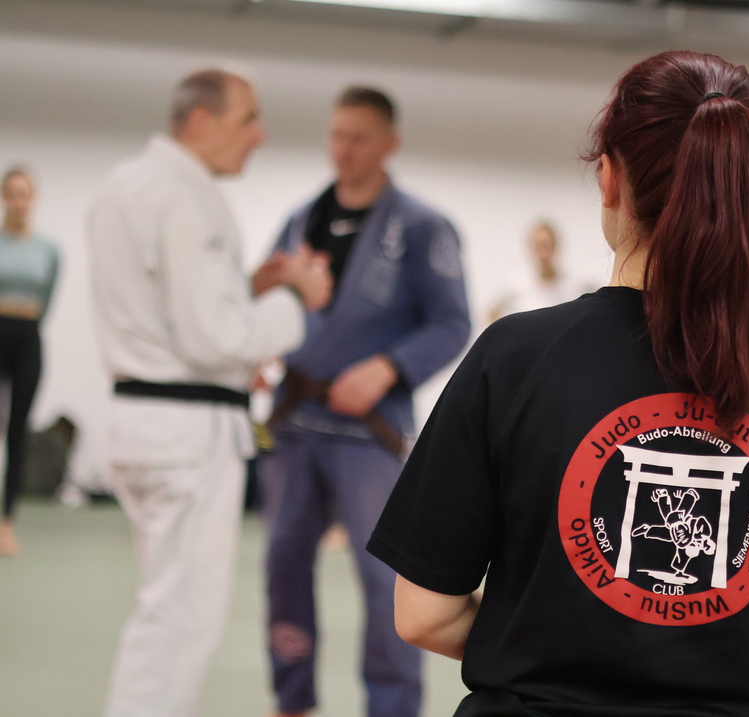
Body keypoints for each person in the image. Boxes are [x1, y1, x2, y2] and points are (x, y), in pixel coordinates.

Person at [367, 51, 749, 717]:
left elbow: (425, 615)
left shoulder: (516, 358)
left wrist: (568, 640)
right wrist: (711, 648)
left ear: (609, 179)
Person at [86, 68, 332, 717]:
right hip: (185, 433)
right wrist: (295, 297)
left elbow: (172, 312)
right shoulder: (183, 195)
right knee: (180, 622)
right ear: (200, 121)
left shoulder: (124, 185)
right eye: (248, 118)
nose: (260, 134)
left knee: (164, 609)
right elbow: (214, 337)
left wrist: (248, 286)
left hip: (147, 417)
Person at [261, 86, 470, 717]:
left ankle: (393, 707)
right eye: (335, 135)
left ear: (389, 144)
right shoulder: (302, 220)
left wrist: (387, 367)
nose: (343, 149)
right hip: (296, 420)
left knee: (386, 585)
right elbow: (272, 298)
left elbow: (450, 324)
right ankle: (291, 698)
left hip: (370, 432)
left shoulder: (423, 227)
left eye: (357, 137)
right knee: (282, 567)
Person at [0, 167, 59, 556]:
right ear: (5, 198)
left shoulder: (48, 251)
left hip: (28, 339)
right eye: (12, 194)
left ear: (33, 199)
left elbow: (48, 298)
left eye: (25, 194)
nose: (19, 201)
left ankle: (6, 522)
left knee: (16, 432)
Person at [488, 221, 584, 322]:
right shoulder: (515, 284)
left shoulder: (575, 284)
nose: (543, 254)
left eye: (546, 246)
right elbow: (492, 311)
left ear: (556, 247)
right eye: (538, 246)